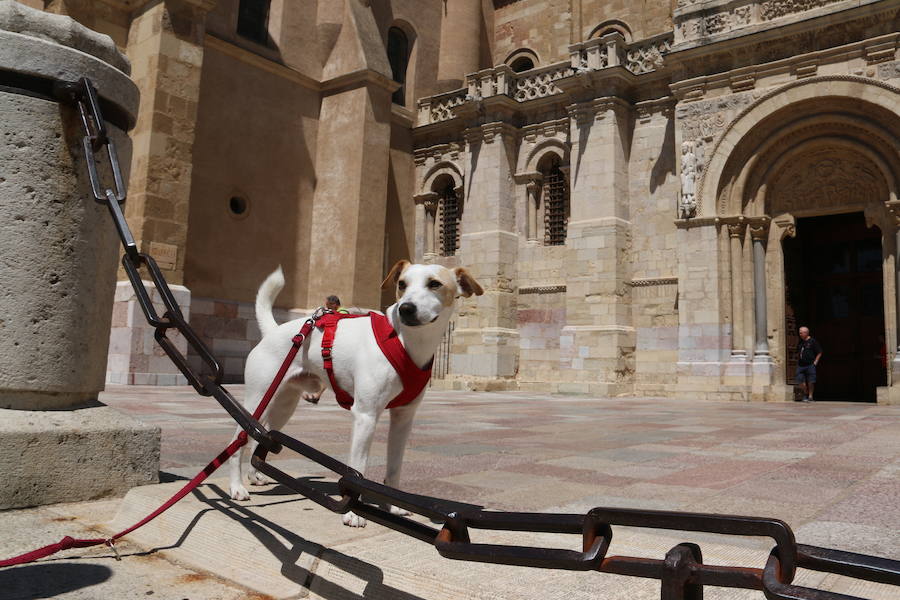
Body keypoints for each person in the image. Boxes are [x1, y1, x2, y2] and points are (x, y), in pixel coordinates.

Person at [796, 326, 823, 402]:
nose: (800, 334)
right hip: (801, 365)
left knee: (811, 381)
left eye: (802, 333)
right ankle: (805, 393)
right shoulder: (800, 342)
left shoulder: (812, 341)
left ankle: (810, 396)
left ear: (806, 333)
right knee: (800, 381)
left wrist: (815, 362)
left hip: (810, 365)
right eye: (800, 332)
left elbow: (819, 352)